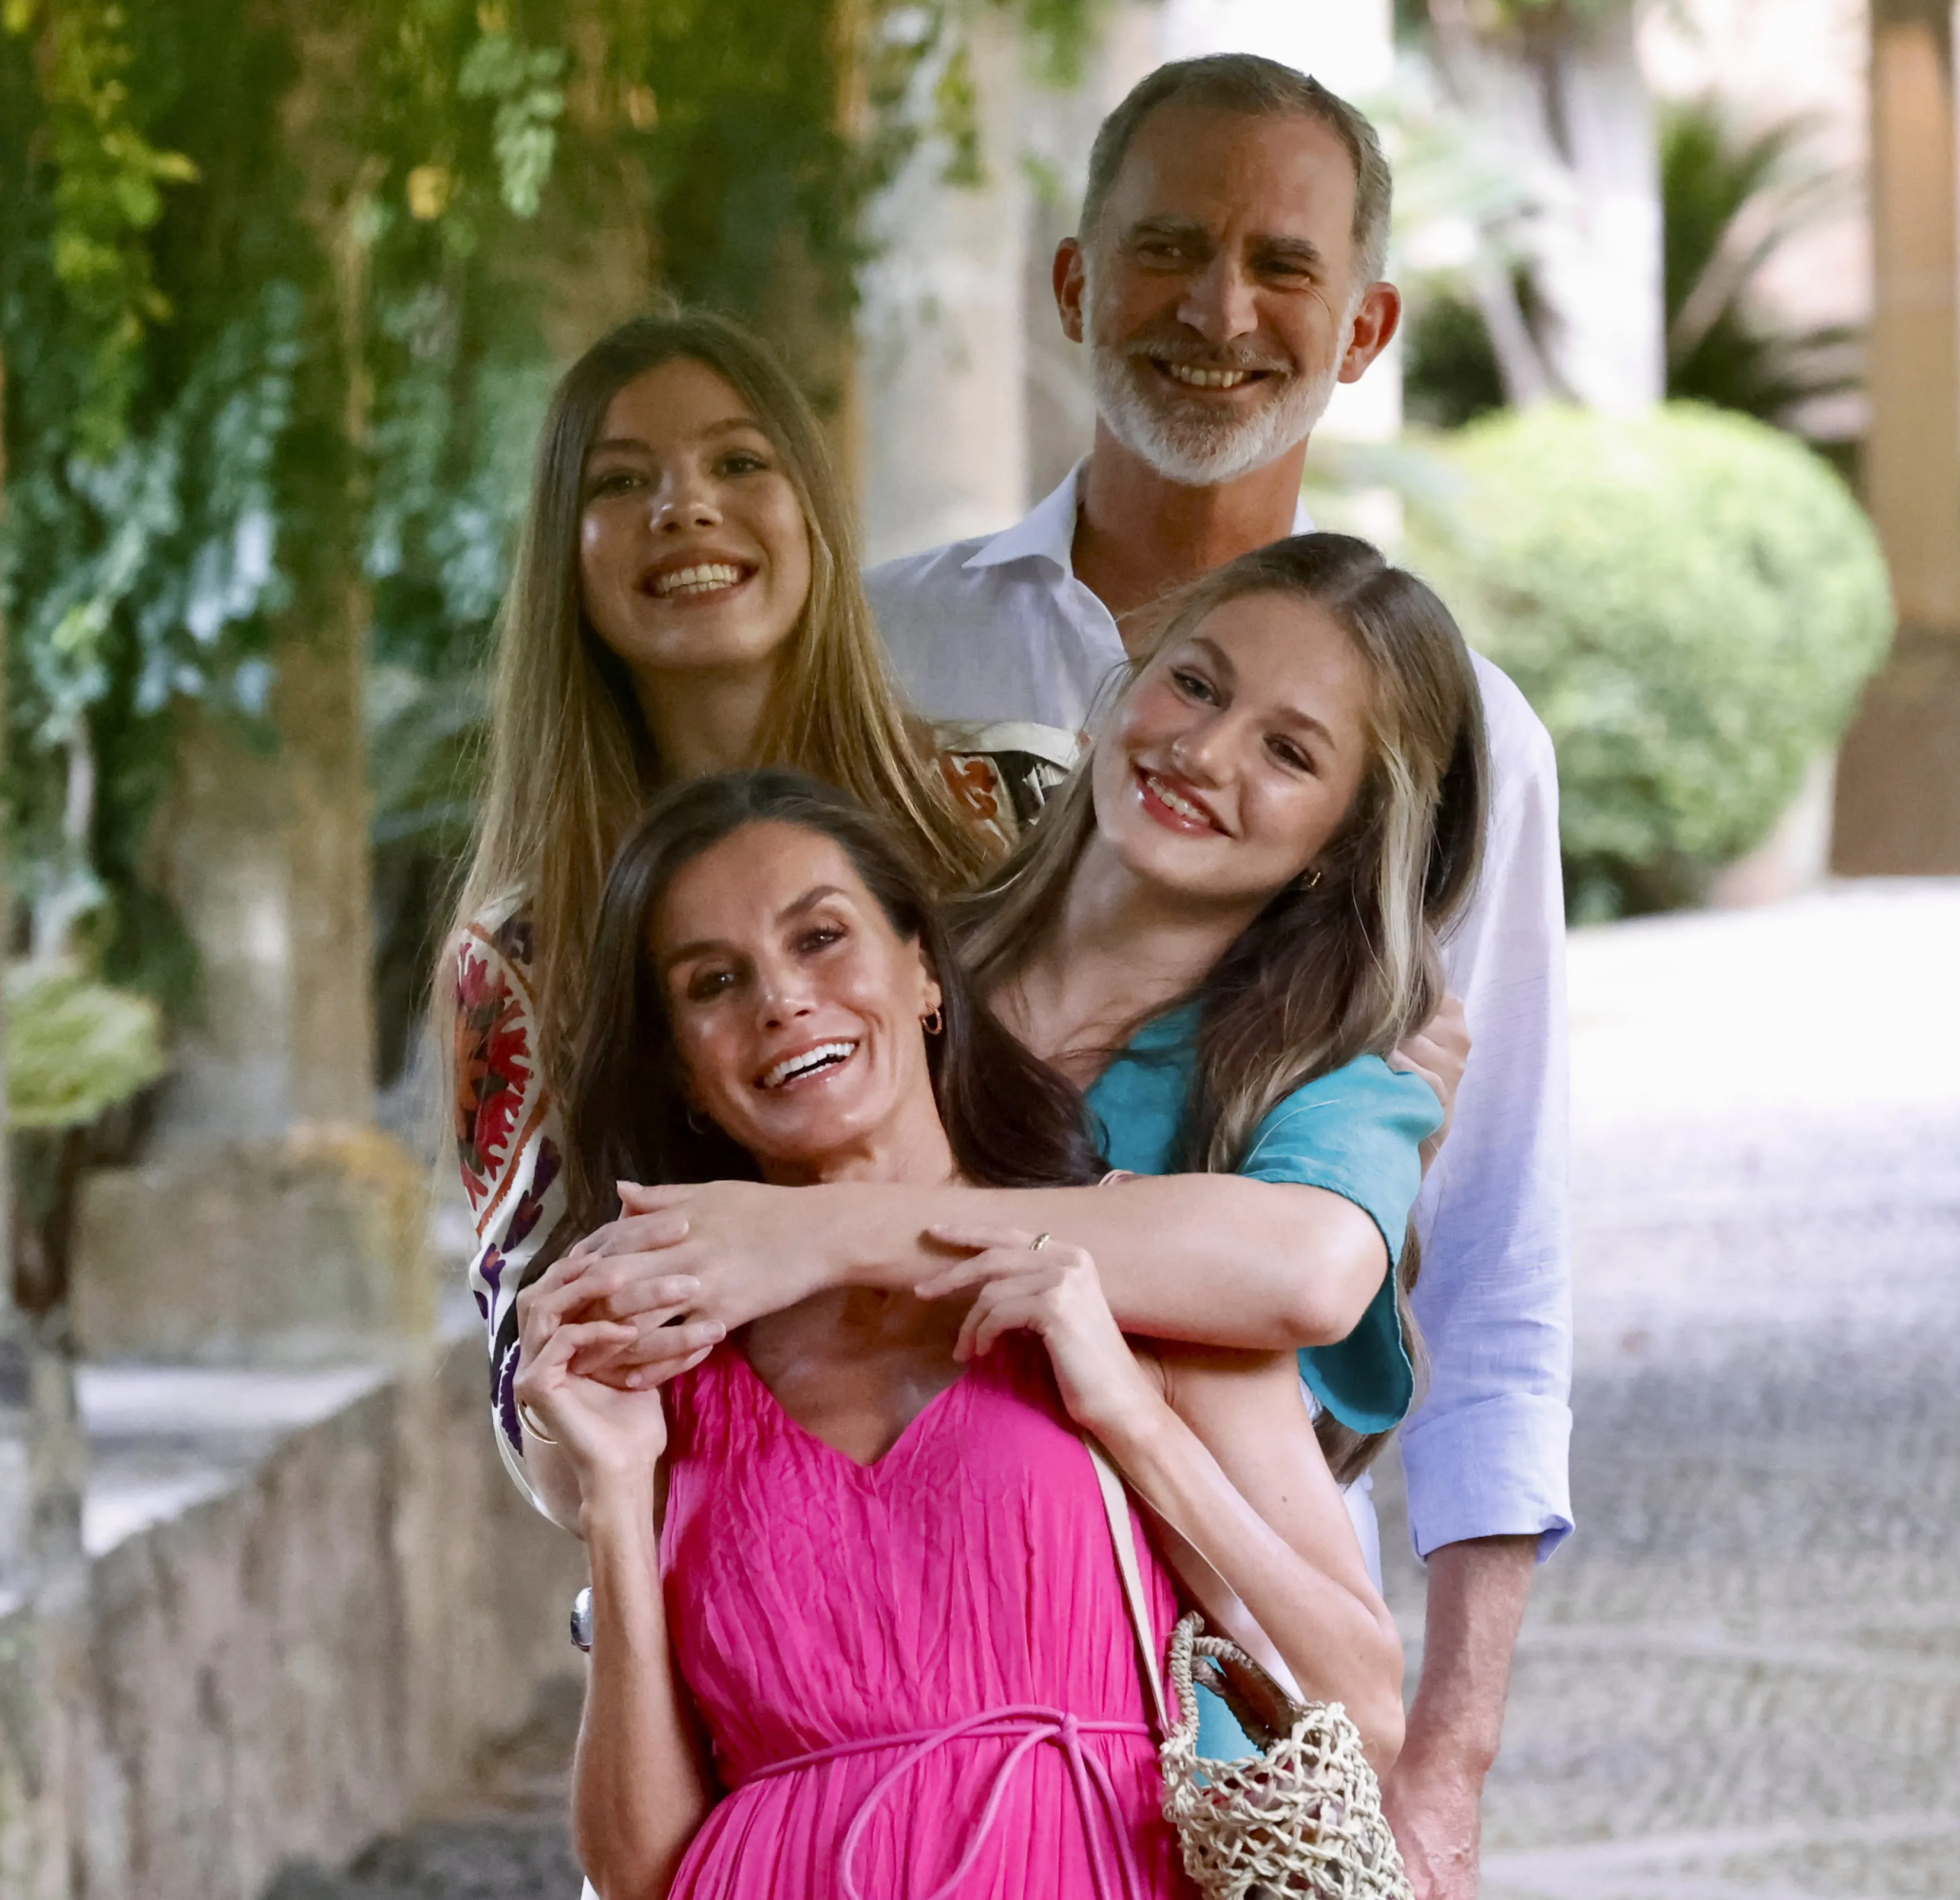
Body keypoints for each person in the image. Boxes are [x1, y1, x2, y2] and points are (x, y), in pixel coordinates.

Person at [862, 54, 1572, 1897]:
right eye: (1166, 248)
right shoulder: (877, 653)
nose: (1219, 308)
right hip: (843, 1604)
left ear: (1365, 326)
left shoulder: (1464, 740)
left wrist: (1445, 1766)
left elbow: (1490, 1255)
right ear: (1074, 282)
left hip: (1202, 1656)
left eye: (1281, 262)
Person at [514, 770, 1399, 1900]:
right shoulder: (665, 1368)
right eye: (713, 982)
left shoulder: (1129, 1271)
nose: (781, 1000)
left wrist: (1129, 1419)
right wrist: (614, 1495)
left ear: (924, 969)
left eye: (821, 936)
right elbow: (638, 1869)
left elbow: (1363, 1706)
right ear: (683, 1069)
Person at [542, 535, 1484, 1591]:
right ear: (1123, 684)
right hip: (817, 1661)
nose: (1206, 752)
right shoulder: (880, 965)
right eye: (1193, 683)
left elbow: (1305, 1271)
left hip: (1154, 1712)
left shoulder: (1339, 1070)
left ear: (1344, 839)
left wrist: (820, 1234)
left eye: (1289, 753)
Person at [445, 309, 1077, 1517]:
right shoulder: (522, 954)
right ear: (563, 555)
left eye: (739, 462)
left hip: (1095, 1501)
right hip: (761, 1556)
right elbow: (537, 1404)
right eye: (621, 480)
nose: (684, 506)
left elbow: (1198, 1147)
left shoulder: (1025, 799)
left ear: (812, 511)